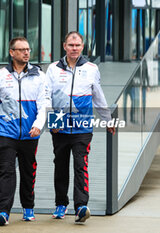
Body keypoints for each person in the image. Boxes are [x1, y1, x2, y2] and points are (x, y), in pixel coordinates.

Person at [45, 31, 115, 223]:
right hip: (59, 128)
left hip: (82, 127)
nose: (74, 48)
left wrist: (107, 119)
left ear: (82, 47)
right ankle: (61, 204)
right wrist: (54, 122)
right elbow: (46, 96)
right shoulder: (52, 69)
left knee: (80, 165)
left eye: (77, 45)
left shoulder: (92, 68)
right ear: (64, 46)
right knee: (60, 166)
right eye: (70, 45)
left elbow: (98, 96)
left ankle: (81, 207)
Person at [0, 37, 47, 225]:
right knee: (6, 172)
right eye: (21, 50)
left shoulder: (39, 76)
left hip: (29, 133)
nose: (26, 53)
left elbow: (43, 106)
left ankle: (28, 207)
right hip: (6, 133)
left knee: (28, 172)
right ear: (12, 52)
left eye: (28, 49)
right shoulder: (0, 75)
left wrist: (38, 125)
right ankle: (3, 212)